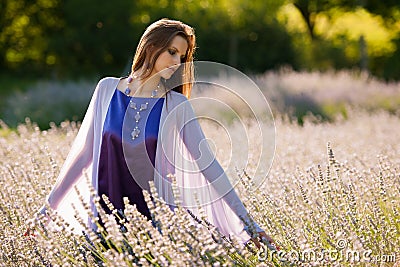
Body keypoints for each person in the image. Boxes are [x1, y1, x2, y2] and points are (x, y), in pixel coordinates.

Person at [34, 18, 276, 249]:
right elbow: (85, 155)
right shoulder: (106, 89)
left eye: (181, 56)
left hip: (155, 229)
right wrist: (45, 212)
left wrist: (250, 225)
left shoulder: (176, 105)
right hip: (104, 222)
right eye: (172, 52)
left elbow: (209, 166)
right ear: (151, 47)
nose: (177, 62)